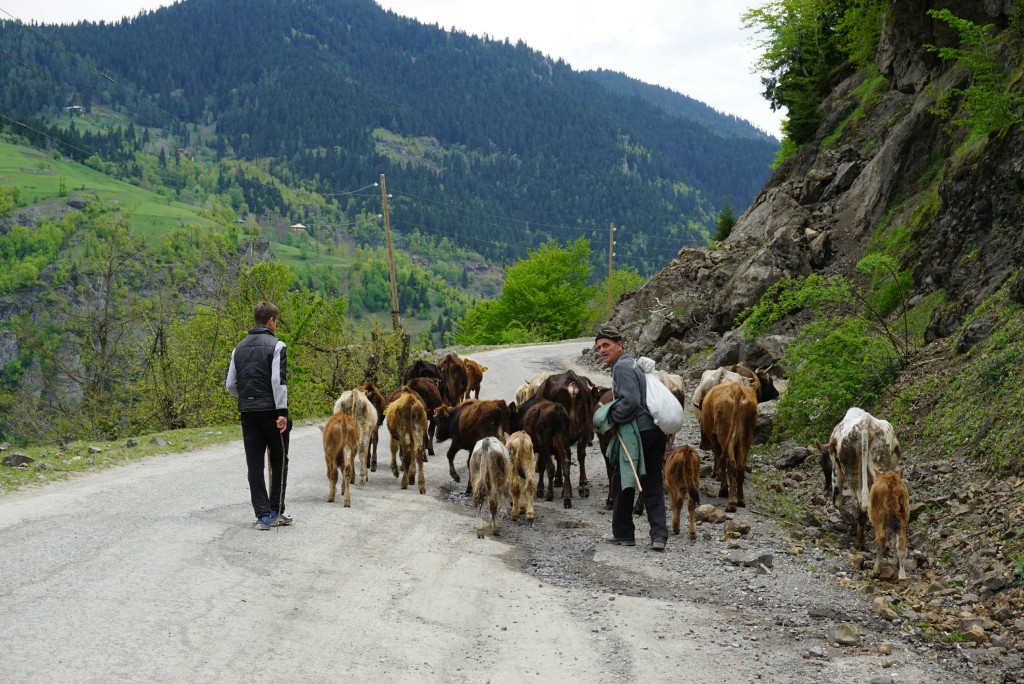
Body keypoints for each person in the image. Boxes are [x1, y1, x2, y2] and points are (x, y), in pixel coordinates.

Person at [593, 326, 668, 551]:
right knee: (653, 481)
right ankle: (659, 535)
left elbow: (630, 401)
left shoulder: (622, 368)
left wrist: (611, 418)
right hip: (655, 431)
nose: (602, 351)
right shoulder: (633, 364)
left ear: (620, 345)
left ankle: (624, 533)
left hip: (639, 433)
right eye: (599, 347)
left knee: (623, 479)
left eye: (606, 345)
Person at [226, 300, 292, 531]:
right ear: (271, 320)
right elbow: (278, 381)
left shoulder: (238, 349)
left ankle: (262, 516)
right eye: (277, 320)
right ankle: (276, 511)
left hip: (248, 413)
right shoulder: (277, 346)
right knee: (279, 461)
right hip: (273, 413)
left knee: (254, 466)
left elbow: (230, 385)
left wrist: (247, 398)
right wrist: (282, 412)